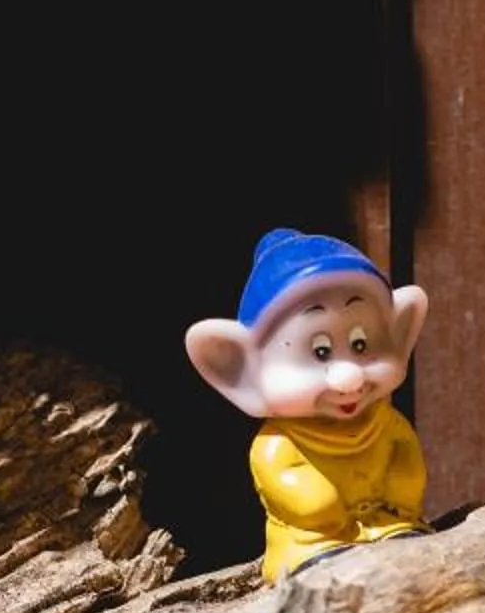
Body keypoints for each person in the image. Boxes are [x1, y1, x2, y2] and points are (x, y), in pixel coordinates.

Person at [184, 229, 431, 583]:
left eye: (361, 346)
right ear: (242, 369)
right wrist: (322, 511)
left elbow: (405, 453)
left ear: (399, 333)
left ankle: (393, 528)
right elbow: (287, 481)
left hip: (385, 520)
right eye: (320, 353)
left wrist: (402, 491)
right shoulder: (278, 445)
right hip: (313, 540)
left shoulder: (385, 421)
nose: (349, 377)